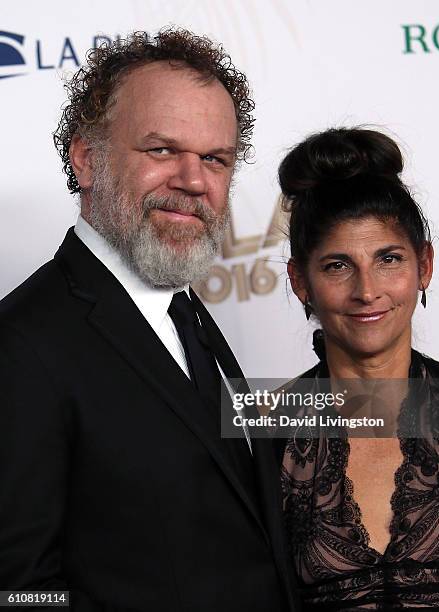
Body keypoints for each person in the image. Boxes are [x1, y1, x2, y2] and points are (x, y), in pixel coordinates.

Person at [0, 29, 298, 612]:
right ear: (87, 158)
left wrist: (415, 400)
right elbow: (17, 588)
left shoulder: (180, 307)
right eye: (162, 150)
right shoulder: (21, 346)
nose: (193, 181)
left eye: (215, 159)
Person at [277, 127, 439, 609]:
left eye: (388, 259)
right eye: (338, 266)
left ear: (424, 264)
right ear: (301, 280)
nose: (367, 290)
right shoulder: (259, 430)